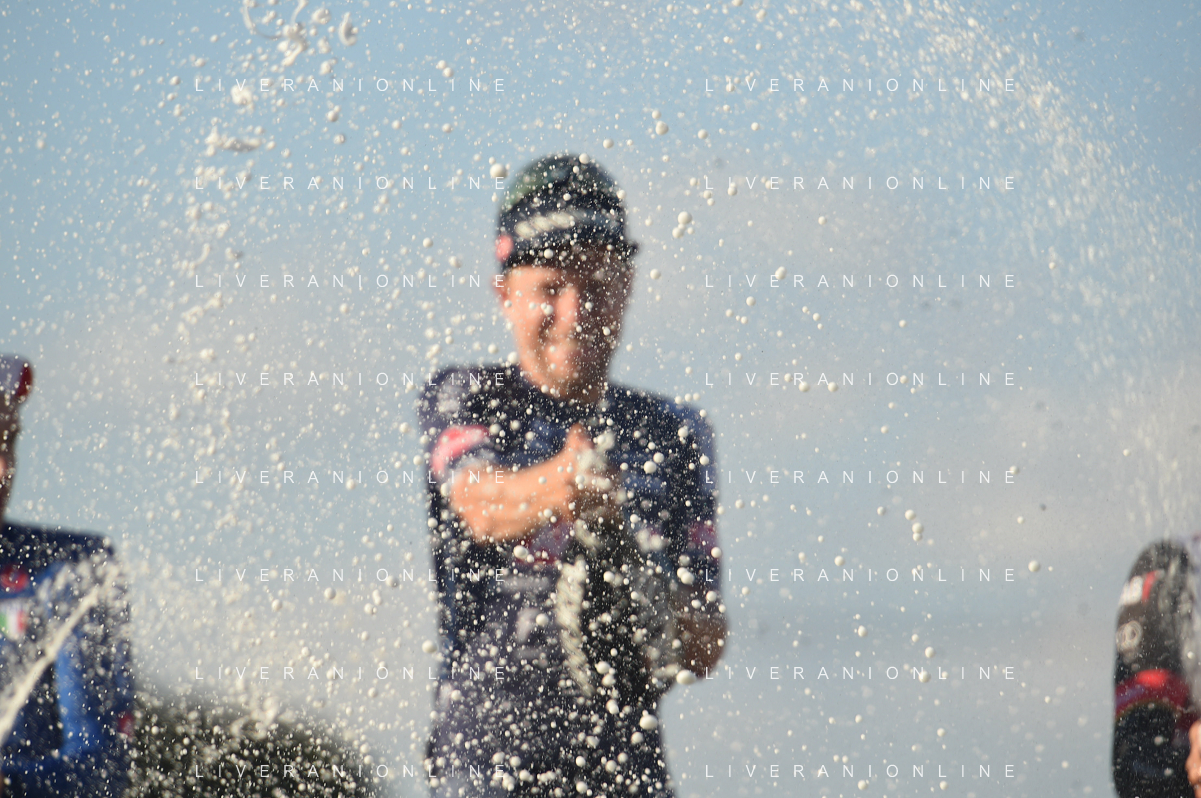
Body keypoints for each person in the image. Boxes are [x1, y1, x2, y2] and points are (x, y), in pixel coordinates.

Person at [418, 153, 726, 797]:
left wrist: (641, 591)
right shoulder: (465, 397)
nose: (575, 310)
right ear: (506, 294)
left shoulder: (674, 433)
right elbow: (479, 504)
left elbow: (705, 641)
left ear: (628, 287)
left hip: (627, 776)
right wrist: (563, 485)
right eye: (551, 287)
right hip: (487, 771)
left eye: (598, 285)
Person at [0, 355, 134, 797]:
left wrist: (9, 784)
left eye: (9, 441)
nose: (4, 469)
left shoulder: (75, 570)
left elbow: (102, 770)